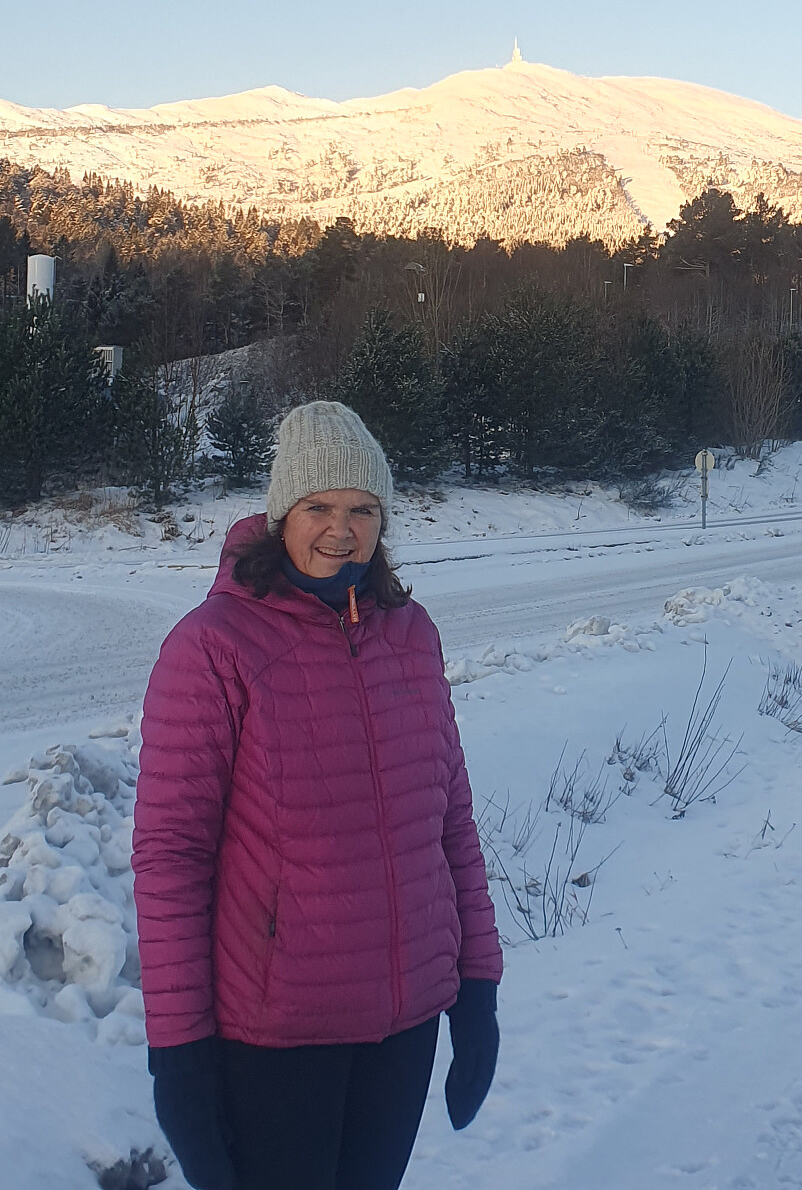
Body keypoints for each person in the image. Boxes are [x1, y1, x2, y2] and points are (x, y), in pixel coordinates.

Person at [133, 402, 503, 1190]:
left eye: (363, 509)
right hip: (278, 1035)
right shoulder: (214, 647)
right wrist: (180, 1056)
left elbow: (451, 826)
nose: (343, 531)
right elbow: (172, 858)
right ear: (281, 517)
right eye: (319, 508)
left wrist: (477, 989)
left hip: (403, 1026)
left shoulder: (411, 634)